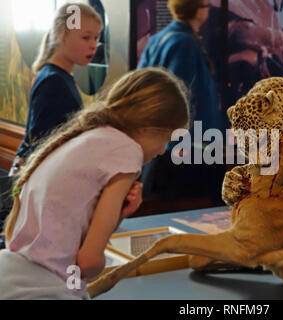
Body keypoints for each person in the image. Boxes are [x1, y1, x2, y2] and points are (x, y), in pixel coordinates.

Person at [0, 67, 190, 299]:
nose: (162, 151)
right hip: (43, 289)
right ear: (147, 128)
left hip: (11, 273)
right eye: (166, 140)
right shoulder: (127, 152)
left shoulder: (91, 135)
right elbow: (88, 263)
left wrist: (120, 213)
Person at [137, 0, 225, 205]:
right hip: (189, 150)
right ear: (197, 10)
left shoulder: (159, 39)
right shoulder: (184, 44)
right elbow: (182, 97)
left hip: (168, 146)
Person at [9, 3, 103, 176]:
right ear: (61, 36)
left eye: (96, 38)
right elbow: (42, 144)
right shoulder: (54, 82)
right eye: (86, 37)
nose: (93, 45)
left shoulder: (58, 76)